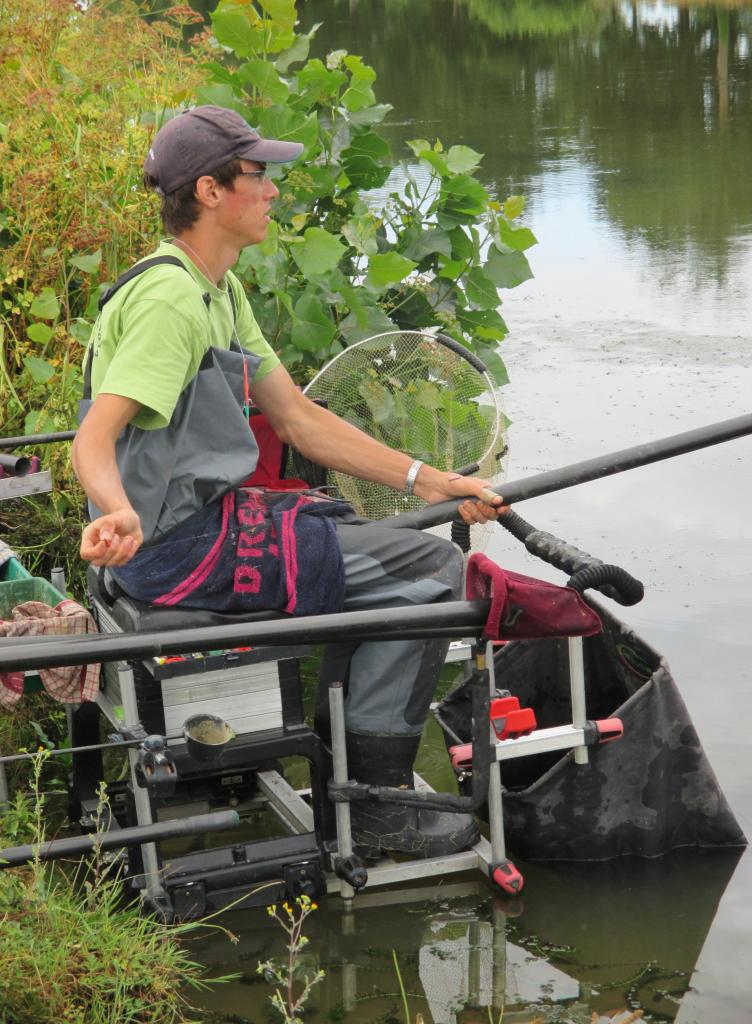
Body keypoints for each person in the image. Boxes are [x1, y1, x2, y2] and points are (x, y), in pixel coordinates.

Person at [72, 105, 507, 859]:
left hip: (203, 521)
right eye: (258, 175)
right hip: (176, 546)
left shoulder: (217, 287)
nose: (272, 190)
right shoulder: (171, 300)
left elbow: (300, 420)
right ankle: (371, 808)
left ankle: (349, 774)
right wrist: (117, 511)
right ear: (209, 191)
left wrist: (427, 479)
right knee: (438, 573)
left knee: (371, 532)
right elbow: (93, 437)